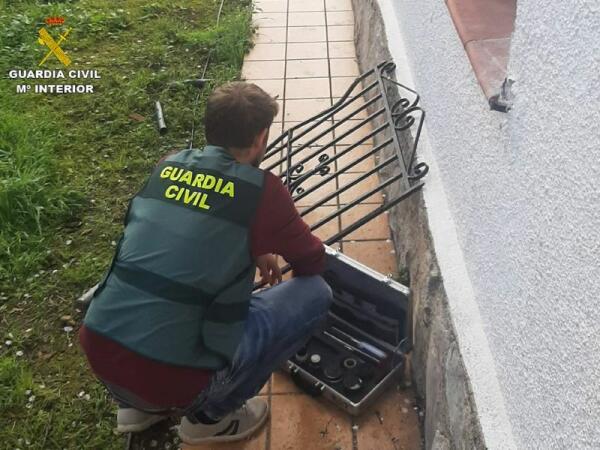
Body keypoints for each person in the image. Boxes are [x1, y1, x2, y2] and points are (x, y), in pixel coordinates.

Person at [79, 82, 333, 445]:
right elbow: (311, 262)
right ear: (261, 138)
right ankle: (210, 419)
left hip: (101, 350)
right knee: (314, 294)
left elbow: (182, 229)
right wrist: (269, 235)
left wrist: (256, 242)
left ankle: (138, 408)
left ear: (209, 128)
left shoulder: (168, 165)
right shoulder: (264, 191)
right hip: (178, 380)